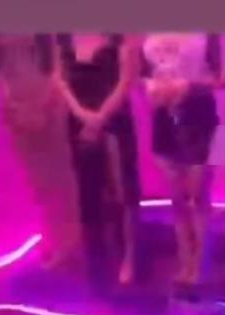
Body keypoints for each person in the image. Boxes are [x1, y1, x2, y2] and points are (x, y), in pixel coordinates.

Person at [0, 34, 83, 271]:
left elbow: (61, 53)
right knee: (39, 179)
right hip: (15, 102)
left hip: (51, 98)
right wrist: (11, 103)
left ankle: (74, 239)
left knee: (64, 174)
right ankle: (58, 237)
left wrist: (48, 100)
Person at [55, 33, 141, 290]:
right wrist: (81, 115)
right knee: (88, 192)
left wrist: (99, 118)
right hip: (78, 123)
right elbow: (60, 80)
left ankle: (129, 257)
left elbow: (126, 82)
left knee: (122, 192)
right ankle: (97, 258)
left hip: (114, 121)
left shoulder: (119, 37)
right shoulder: (65, 38)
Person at [143, 33, 225, 300]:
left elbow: (221, 77)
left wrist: (189, 87)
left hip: (198, 117)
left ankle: (202, 265)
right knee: (177, 198)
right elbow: (144, 72)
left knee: (198, 194)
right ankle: (185, 262)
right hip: (164, 117)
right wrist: (151, 88)